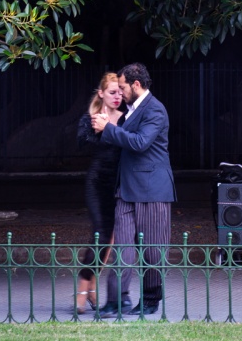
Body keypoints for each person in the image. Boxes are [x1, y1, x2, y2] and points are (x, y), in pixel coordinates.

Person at [91, 62, 175, 317]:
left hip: (152, 191)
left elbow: (139, 143)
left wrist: (109, 129)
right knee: (123, 250)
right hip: (125, 190)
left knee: (152, 250)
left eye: (124, 86)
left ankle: (151, 300)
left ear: (137, 85)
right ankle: (116, 301)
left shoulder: (155, 110)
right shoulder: (131, 110)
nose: (120, 91)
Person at [74, 73, 125, 313]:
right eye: (113, 92)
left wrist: (112, 129)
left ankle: (92, 284)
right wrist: (100, 128)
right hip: (97, 183)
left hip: (119, 185)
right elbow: (81, 144)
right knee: (100, 236)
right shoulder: (91, 118)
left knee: (110, 240)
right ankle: (83, 286)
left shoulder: (127, 119)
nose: (118, 96)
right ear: (102, 93)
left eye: (120, 92)